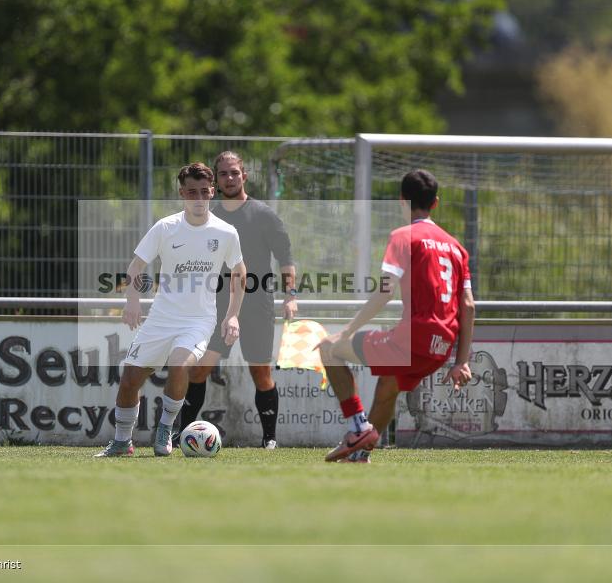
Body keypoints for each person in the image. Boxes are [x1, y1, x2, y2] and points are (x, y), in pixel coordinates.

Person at [316, 169, 475, 463]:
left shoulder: (404, 236)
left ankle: (358, 427)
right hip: (441, 347)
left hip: (413, 337)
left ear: (402, 202)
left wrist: (346, 331)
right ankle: (360, 454)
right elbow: (468, 305)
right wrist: (461, 361)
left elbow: (385, 292)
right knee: (390, 383)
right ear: (435, 203)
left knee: (328, 348)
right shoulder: (457, 247)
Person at [96, 162, 246, 457]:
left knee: (180, 364)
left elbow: (240, 273)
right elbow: (136, 266)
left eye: (204, 192)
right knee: (129, 381)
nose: (199, 198)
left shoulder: (226, 232)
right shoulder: (165, 227)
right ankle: (122, 442)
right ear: (182, 193)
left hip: (198, 321)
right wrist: (133, 301)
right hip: (160, 319)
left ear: (212, 192)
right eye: (192, 192)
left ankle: (166, 429)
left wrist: (232, 315)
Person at [177, 151, 297, 450]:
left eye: (235, 173)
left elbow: (286, 258)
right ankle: (182, 434)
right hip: (217, 307)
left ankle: (269, 439)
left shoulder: (263, 214)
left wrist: (290, 296)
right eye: (224, 174)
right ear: (216, 180)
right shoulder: (210, 216)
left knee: (260, 371)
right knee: (199, 369)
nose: (230, 178)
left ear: (244, 175)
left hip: (257, 306)